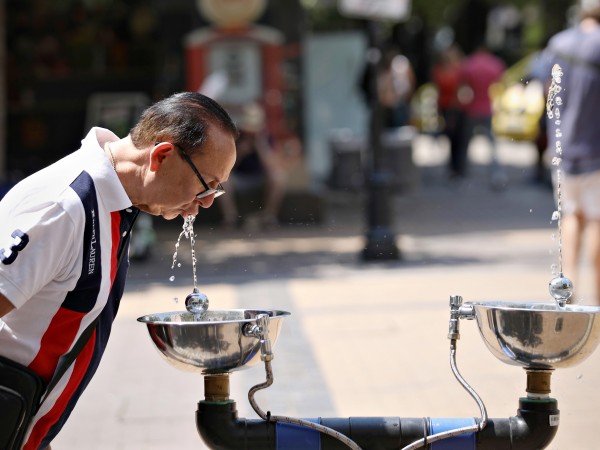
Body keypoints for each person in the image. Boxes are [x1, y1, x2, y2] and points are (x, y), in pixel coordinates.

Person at [0, 91, 237, 449]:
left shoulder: (116, 201)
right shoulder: (65, 208)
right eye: (206, 187)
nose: (201, 206)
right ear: (162, 156)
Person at [543, 4, 600, 305]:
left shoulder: (558, 43)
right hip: (597, 149)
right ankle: (598, 296)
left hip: (563, 149)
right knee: (596, 220)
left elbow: (544, 90)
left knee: (570, 215)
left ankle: (568, 293)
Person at [219, 102, 290, 230]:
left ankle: (269, 216)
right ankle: (231, 218)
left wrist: (260, 147)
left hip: (260, 178)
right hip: (239, 178)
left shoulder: (266, 139)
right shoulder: (235, 138)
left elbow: (272, 167)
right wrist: (240, 152)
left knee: (278, 176)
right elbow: (224, 169)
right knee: (223, 182)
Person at [458, 43, 506, 188]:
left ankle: (462, 172)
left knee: (465, 142)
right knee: (491, 143)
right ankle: (496, 173)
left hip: (472, 108)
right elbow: (500, 83)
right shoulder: (494, 64)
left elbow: (462, 85)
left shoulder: (469, 64)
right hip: (487, 108)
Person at [431, 44, 467, 178]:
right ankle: (453, 166)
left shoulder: (460, 69)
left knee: (460, 138)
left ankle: (459, 167)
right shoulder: (440, 70)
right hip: (446, 107)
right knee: (451, 137)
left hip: (458, 107)